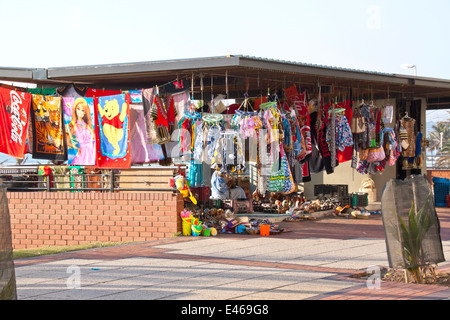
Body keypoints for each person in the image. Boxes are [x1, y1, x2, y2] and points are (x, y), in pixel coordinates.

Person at [68, 98, 95, 165]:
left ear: (85, 112)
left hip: (92, 150)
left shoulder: (87, 125)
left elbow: (94, 137)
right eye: (78, 109)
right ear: (75, 110)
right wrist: (77, 148)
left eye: (83, 110)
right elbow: (67, 142)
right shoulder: (74, 127)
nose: (80, 111)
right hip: (82, 152)